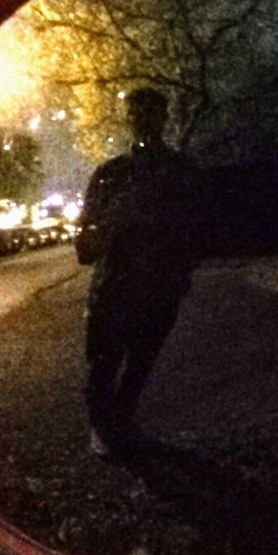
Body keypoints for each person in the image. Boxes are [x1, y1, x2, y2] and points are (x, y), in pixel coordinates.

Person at [76, 88, 198, 459]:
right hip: (115, 290)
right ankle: (104, 427)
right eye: (135, 114)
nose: (142, 121)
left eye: (150, 114)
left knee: (140, 363)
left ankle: (119, 422)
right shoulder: (110, 175)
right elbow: (85, 244)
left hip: (159, 289)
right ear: (129, 120)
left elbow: (197, 228)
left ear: (163, 118)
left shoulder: (180, 171)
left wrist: (180, 266)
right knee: (105, 364)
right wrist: (107, 230)